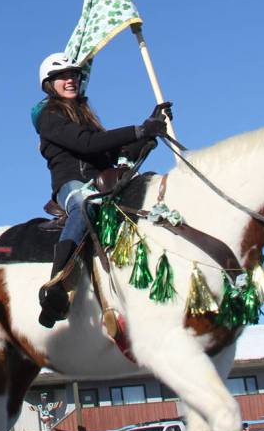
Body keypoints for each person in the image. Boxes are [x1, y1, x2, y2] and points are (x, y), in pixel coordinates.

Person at [33, 52, 171, 328]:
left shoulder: (85, 116)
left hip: (103, 181)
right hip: (72, 185)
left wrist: (150, 130)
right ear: (50, 84)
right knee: (85, 205)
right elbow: (86, 144)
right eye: (62, 76)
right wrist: (138, 130)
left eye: (73, 75)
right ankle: (58, 283)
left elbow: (111, 151)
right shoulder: (49, 116)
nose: (69, 80)